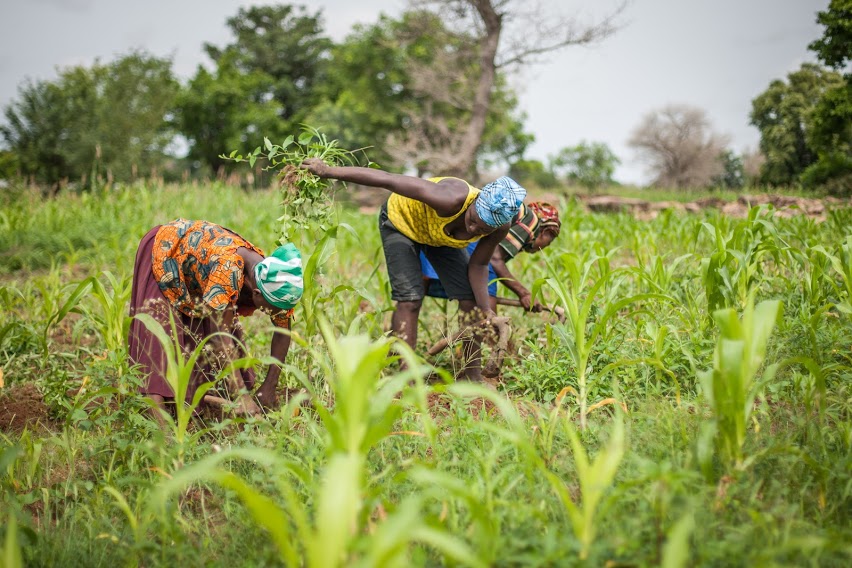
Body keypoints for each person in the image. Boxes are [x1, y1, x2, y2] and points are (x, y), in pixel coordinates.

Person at [300, 158, 525, 382]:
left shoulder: (499, 227)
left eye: (482, 229)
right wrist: (328, 171)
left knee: (471, 302)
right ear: (475, 202)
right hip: (402, 223)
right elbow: (388, 179)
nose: (474, 229)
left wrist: (486, 310)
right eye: (473, 220)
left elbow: (479, 265)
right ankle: (405, 376)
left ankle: (472, 375)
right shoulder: (448, 198)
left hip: (437, 239)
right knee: (410, 298)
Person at [128, 218, 303, 417]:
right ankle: (163, 434)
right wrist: (242, 396)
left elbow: (282, 330)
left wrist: (269, 387)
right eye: (271, 309)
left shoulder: (274, 277)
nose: (274, 314)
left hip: (198, 269)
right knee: (157, 351)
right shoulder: (226, 273)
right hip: (166, 253)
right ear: (255, 293)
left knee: (202, 348)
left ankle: (192, 403)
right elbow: (219, 337)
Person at [421, 201, 561, 312]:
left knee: (418, 293)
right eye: (551, 239)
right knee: (485, 316)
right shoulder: (532, 222)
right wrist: (524, 293)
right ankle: (489, 342)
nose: (548, 245)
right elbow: (494, 259)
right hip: (472, 246)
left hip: (445, 234)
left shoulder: (520, 222)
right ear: (545, 231)